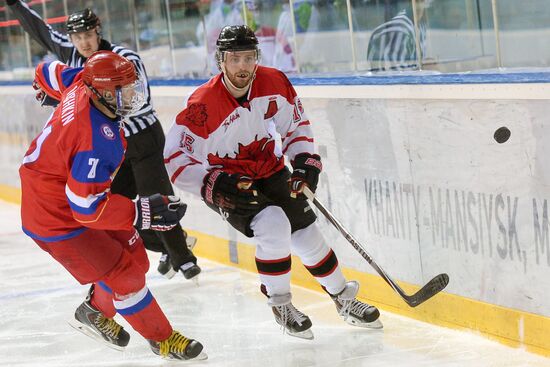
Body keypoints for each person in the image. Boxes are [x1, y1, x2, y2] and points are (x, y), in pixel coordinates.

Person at [164, 25, 382, 339]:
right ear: (221, 61)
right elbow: (175, 159)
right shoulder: (203, 104)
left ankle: (343, 298)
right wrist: (210, 183)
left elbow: (296, 127)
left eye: (249, 57)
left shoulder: (274, 80)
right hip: (229, 183)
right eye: (234, 59)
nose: (242, 66)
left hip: (270, 167)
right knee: (273, 224)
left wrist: (305, 160)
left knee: (306, 234)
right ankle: (281, 304)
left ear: (257, 58)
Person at [19, 51, 206, 360]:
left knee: (137, 260)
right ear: (104, 91)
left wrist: (41, 84)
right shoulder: (95, 138)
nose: (133, 95)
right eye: (125, 89)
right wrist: (141, 212)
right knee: (126, 276)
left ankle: (94, 311)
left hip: (70, 195)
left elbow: (47, 69)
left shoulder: (82, 81)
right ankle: (163, 339)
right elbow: (85, 208)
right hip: (56, 218)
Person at [6, 0, 199, 280]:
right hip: (108, 149)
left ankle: (182, 258)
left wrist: (86, 110)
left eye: (88, 35)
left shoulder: (123, 58)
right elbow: (41, 32)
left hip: (141, 139)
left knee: (154, 195)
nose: (84, 42)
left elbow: (137, 104)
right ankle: (161, 246)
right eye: (78, 37)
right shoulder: (71, 53)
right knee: (112, 206)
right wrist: (15, 4)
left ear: (99, 32)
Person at [366, 0, 429, 71]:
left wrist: (426, 64)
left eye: (422, 1)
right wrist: (424, 68)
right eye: (417, 1)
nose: (419, 6)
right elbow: (394, 71)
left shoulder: (421, 26)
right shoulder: (401, 28)